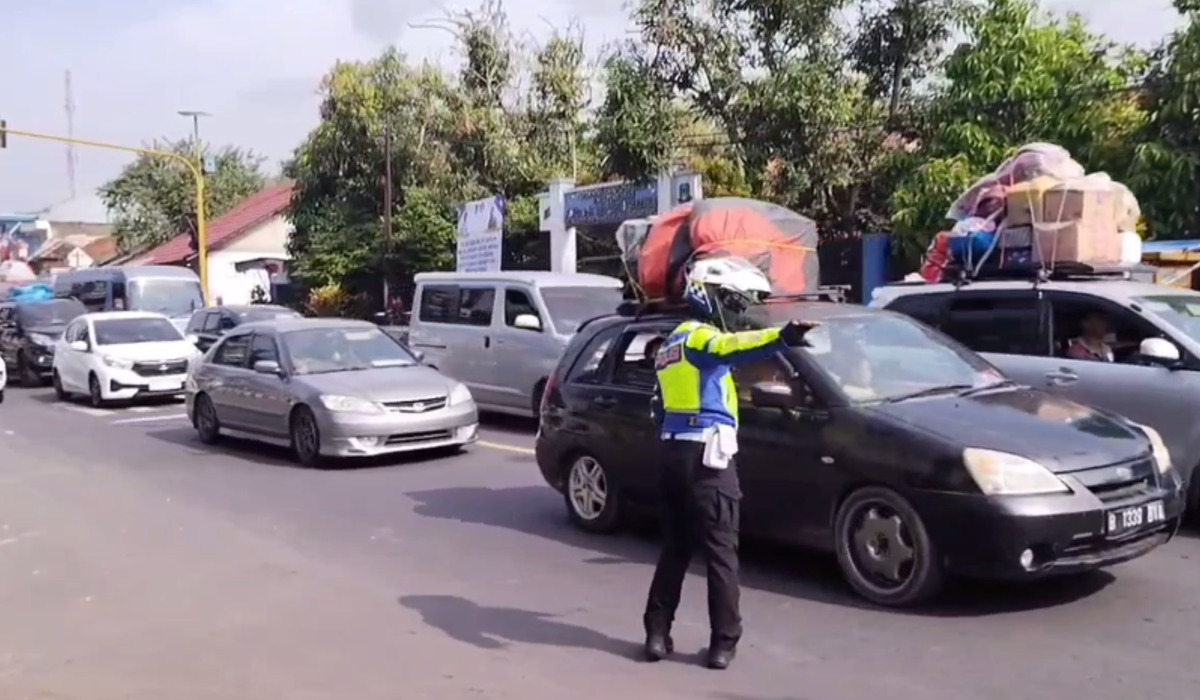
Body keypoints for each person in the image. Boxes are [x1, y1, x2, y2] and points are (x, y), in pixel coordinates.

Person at [643, 256, 817, 670]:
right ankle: (723, 642)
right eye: (732, 302)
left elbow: (657, 407)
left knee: (675, 550)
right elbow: (732, 348)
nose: (737, 312)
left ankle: (656, 632)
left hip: (672, 455)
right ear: (705, 296)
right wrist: (783, 336)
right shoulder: (701, 339)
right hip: (708, 457)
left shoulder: (668, 346)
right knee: (722, 554)